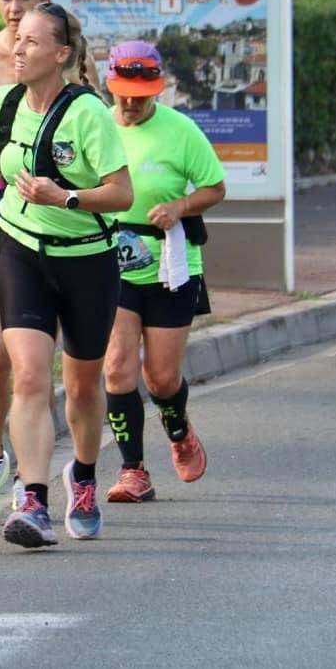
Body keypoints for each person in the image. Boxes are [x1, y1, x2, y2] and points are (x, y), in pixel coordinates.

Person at [0, 2, 132, 548]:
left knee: (81, 387)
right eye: (17, 39)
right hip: (21, 249)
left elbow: (122, 193)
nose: (19, 49)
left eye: (33, 42)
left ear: (60, 54)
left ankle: (81, 474)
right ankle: (33, 501)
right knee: (29, 375)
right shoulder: (5, 102)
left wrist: (67, 196)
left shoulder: (88, 115)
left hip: (85, 258)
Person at [0, 0, 98, 522]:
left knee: (52, 369)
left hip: (53, 224)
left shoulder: (65, 63)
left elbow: (93, 128)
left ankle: (39, 477)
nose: (14, 11)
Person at [102, 40, 225, 504]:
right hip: (112, 260)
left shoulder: (181, 131)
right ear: (108, 84)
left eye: (143, 94)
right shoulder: (97, 127)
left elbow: (215, 187)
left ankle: (179, 430)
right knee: (116, 368)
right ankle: (133, 470)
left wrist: (179, 205)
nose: (132, 103)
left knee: (161, 378)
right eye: (123, 93)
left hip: (171, 262)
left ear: (158, 90)